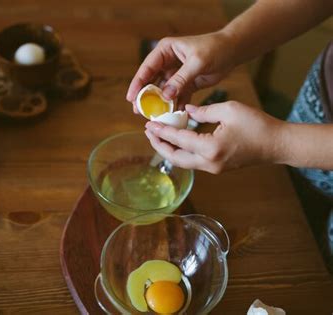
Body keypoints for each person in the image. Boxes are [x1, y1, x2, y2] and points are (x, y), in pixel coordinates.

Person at [126, 0, 333, 267]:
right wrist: (230, 41)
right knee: (292, 206)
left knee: (317, 273)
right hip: (322, 101)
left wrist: (278, 142)